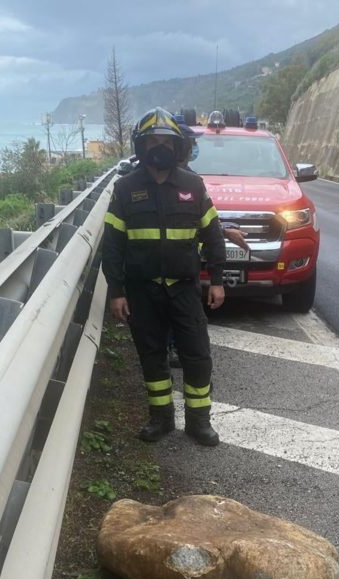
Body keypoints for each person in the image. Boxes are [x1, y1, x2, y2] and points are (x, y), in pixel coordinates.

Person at [101, 107, 227, 447]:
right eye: (152, 141)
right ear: (141, 147)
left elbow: (214, 236)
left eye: (166, 142)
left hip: (184, 289)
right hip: (142, 292)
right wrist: (116, 291)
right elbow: (111, 245)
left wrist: (216, 280)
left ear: (178, 147)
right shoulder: (125, 189)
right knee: (151, 355)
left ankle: (199, 422)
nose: (160, 147)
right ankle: (161, 419)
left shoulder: (193, 185)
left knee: (197, 355)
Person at [166, 121, 250, 369]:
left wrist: (223, 229)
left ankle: (176, 347)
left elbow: (200, 217)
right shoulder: (154, 180)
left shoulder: (190, 178)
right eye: (190, 142)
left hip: (183, 267)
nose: (193, 147)